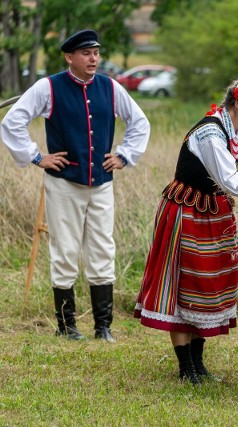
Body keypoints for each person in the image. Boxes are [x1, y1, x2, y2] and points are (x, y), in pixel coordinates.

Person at [134, 74, 238, 385]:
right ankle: (186, 367)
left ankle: (198, 362)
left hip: (214, 213)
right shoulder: (211, 132)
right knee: (188, 284)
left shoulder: (236, 131)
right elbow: (232, 181)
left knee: (210, 285)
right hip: (188, 211)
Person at [1, 29, 150, 343]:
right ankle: (67, 326)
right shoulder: (48, 87)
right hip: (64, 183)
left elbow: (140, 122)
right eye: (86, 53)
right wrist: (37, 157)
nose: (93, 58)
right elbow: (12, 121)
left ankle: (103, 327)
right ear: (70, 57)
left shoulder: (110, 87)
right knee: (65, 250)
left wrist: (124, 155)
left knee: (102, 249)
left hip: (101, 184)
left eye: (96, 52)